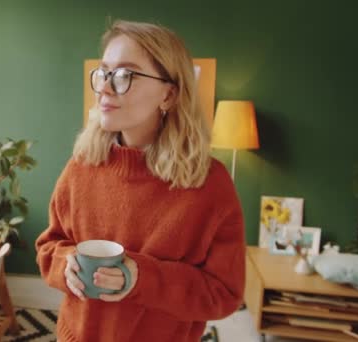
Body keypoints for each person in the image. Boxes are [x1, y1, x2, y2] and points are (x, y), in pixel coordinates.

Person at [35, 19, 245, 342]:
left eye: (124, 75)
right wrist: (65, 264)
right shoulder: (81, 166)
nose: (104, 87)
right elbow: (49, 246)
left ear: (169, 95)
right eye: (104, 73)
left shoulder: (210, 185)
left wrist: (143, 279)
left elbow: (224, 293)